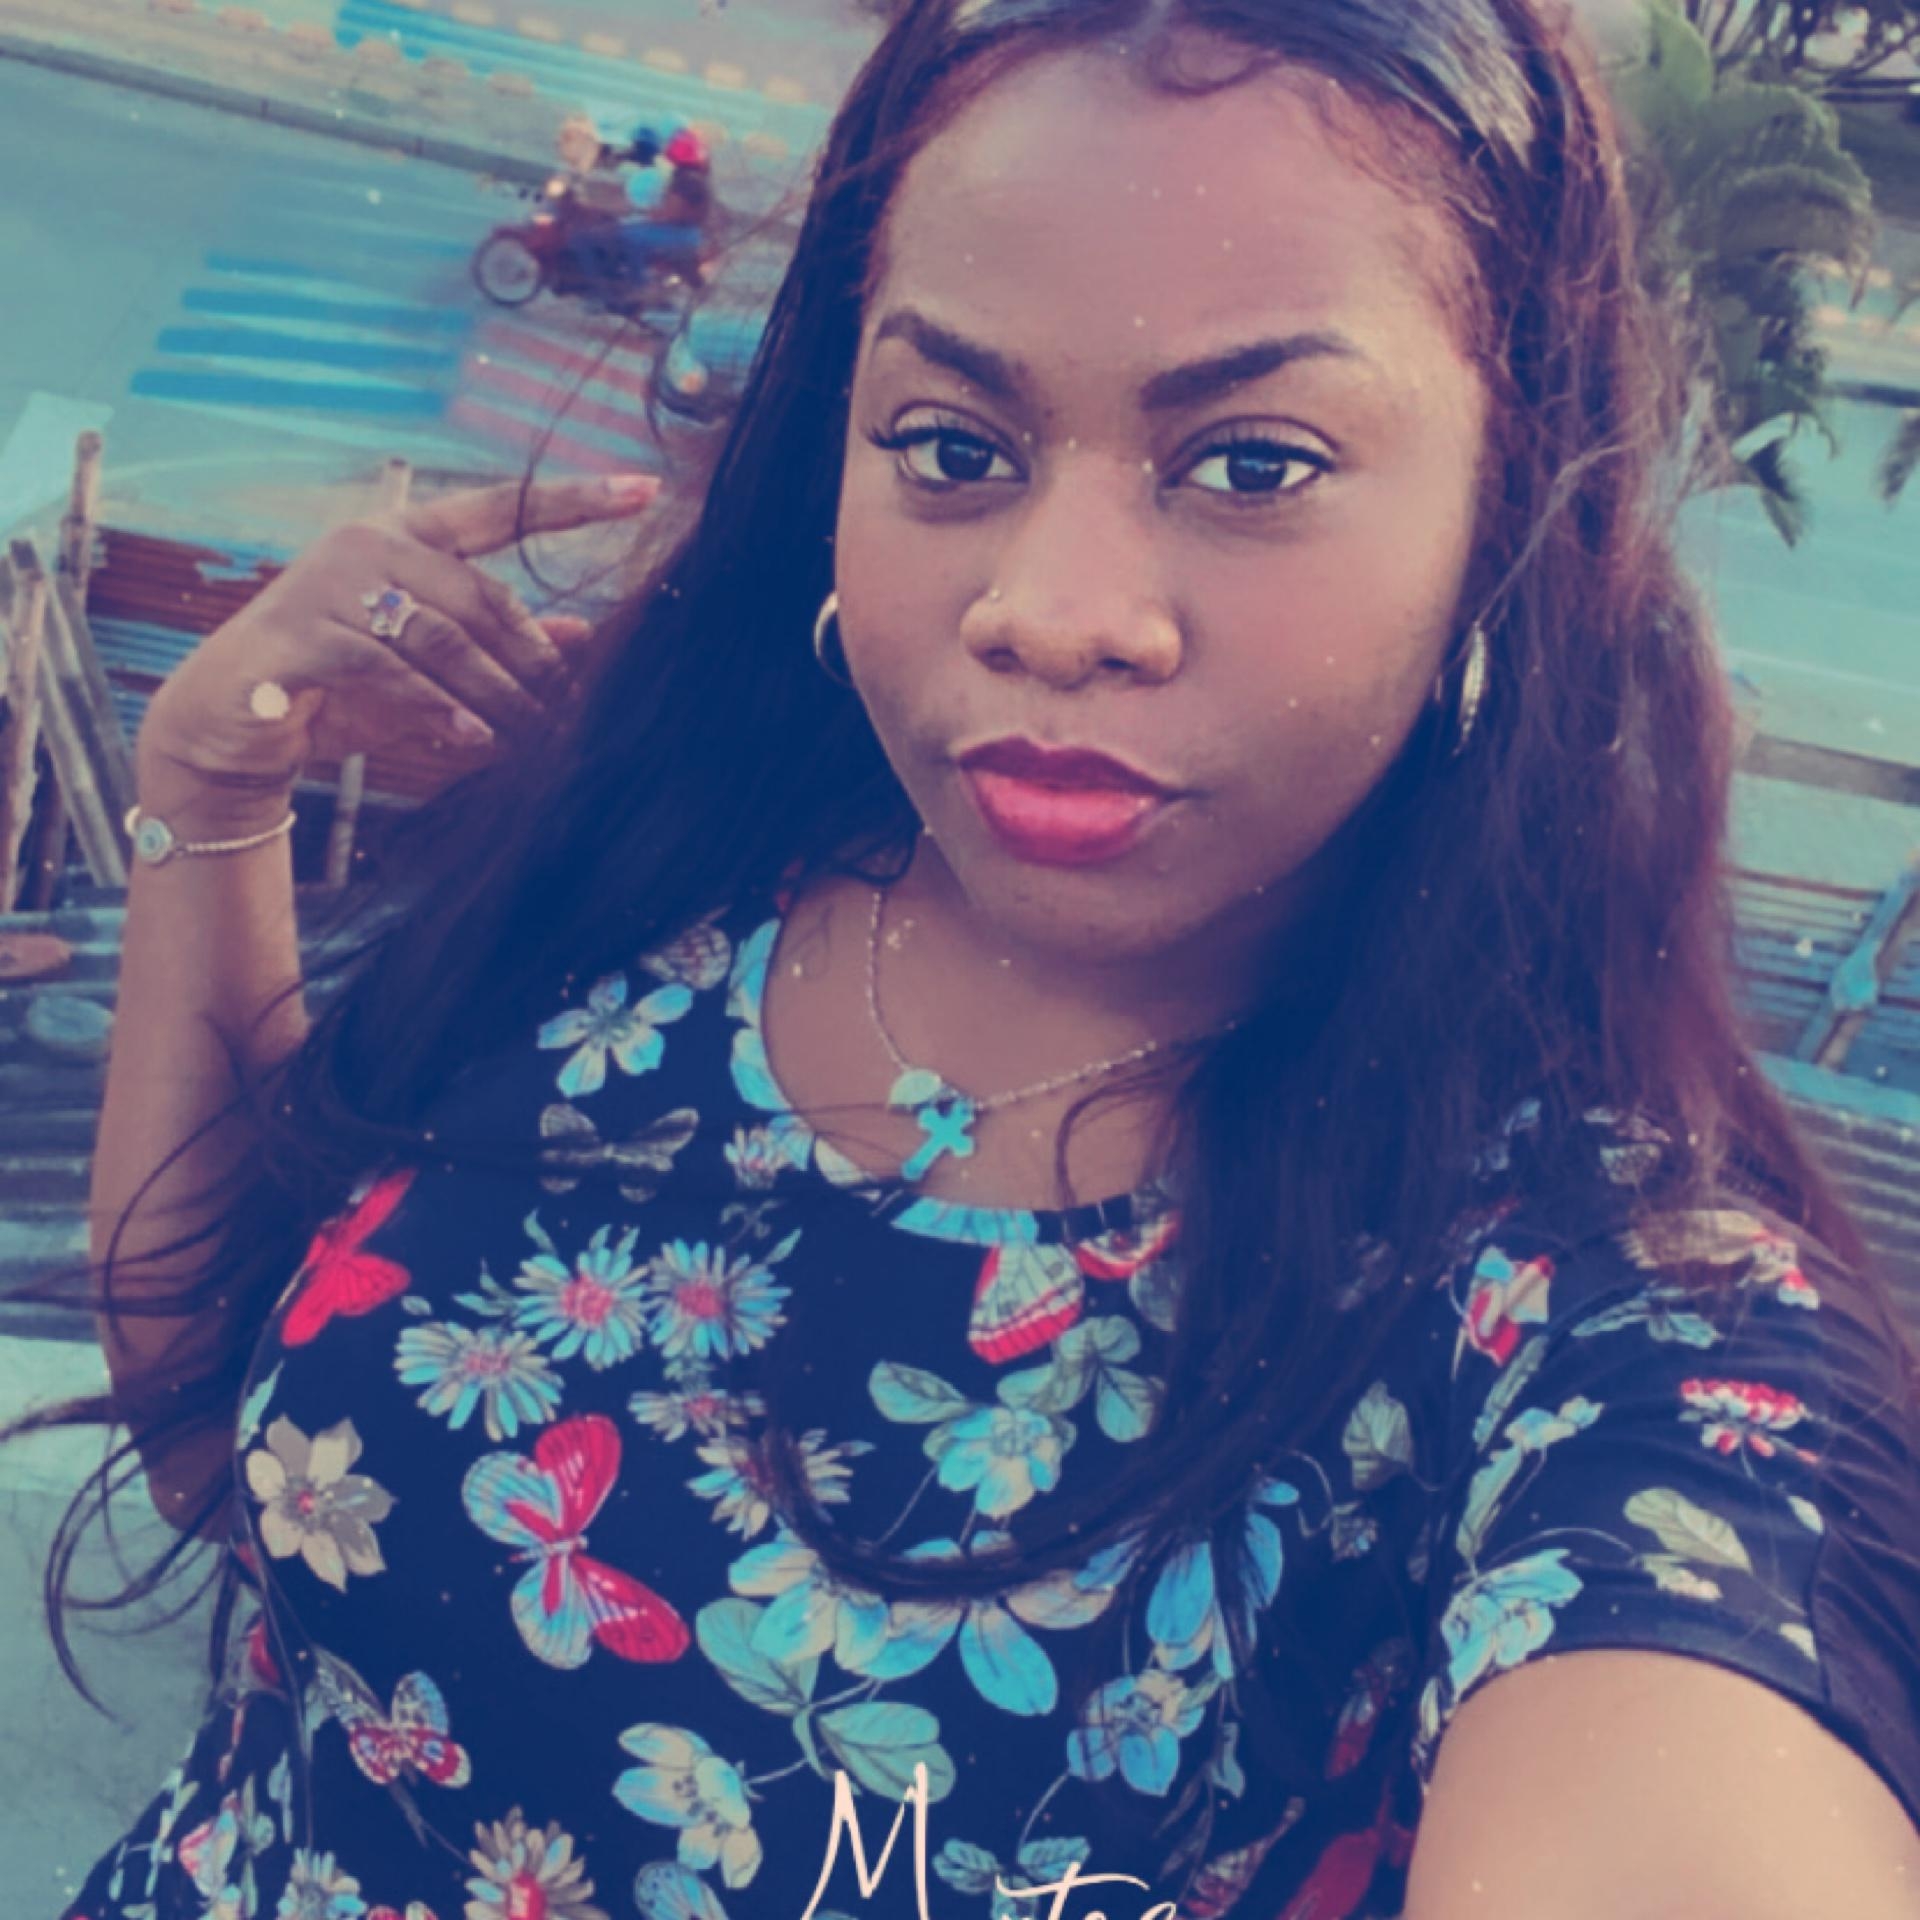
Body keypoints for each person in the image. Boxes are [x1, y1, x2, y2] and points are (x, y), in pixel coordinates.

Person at [23, 1, 1920, 1916]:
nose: (1049, 613)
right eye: (952, 444)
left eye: (1255, 467)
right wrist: (211, 792)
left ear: (1505, 515)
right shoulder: (660, 865)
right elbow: (212, 1442)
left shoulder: (1577, 1315)